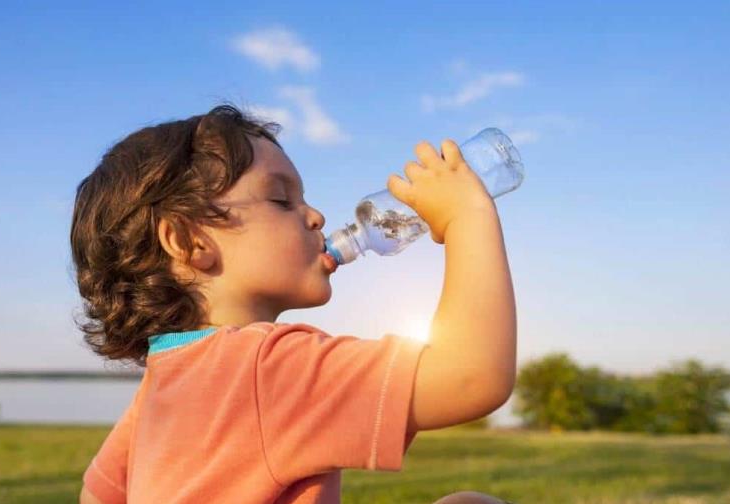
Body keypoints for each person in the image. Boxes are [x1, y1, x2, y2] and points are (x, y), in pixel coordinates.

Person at [71, 104, 517, 503]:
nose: (315, 216)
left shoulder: (163, 381)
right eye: (281, 199)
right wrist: (467, 217)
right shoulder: (268, 369)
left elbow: (98, 494)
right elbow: (471, 377)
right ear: (188, 240)